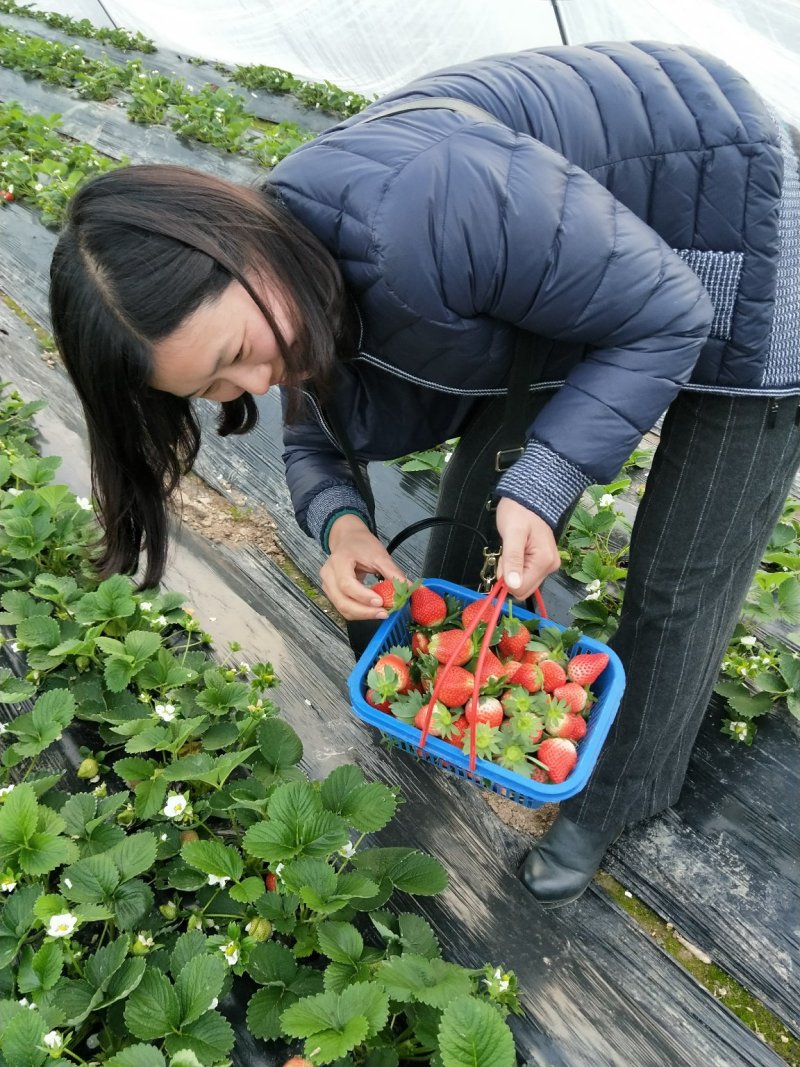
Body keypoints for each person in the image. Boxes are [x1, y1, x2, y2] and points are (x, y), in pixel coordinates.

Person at [48, 41, 800, 908]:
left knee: (679, 569)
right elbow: (314, 425)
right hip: (576, 247)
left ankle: (616, 796)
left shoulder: (422, 211)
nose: (252, 385)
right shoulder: (294, 273)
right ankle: (490, 667)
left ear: (243, 246)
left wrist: (548, 481)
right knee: (485, 497)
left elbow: (670, 311)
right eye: (212, 388)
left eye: (237, 354)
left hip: (736, 202)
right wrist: (341, 524)